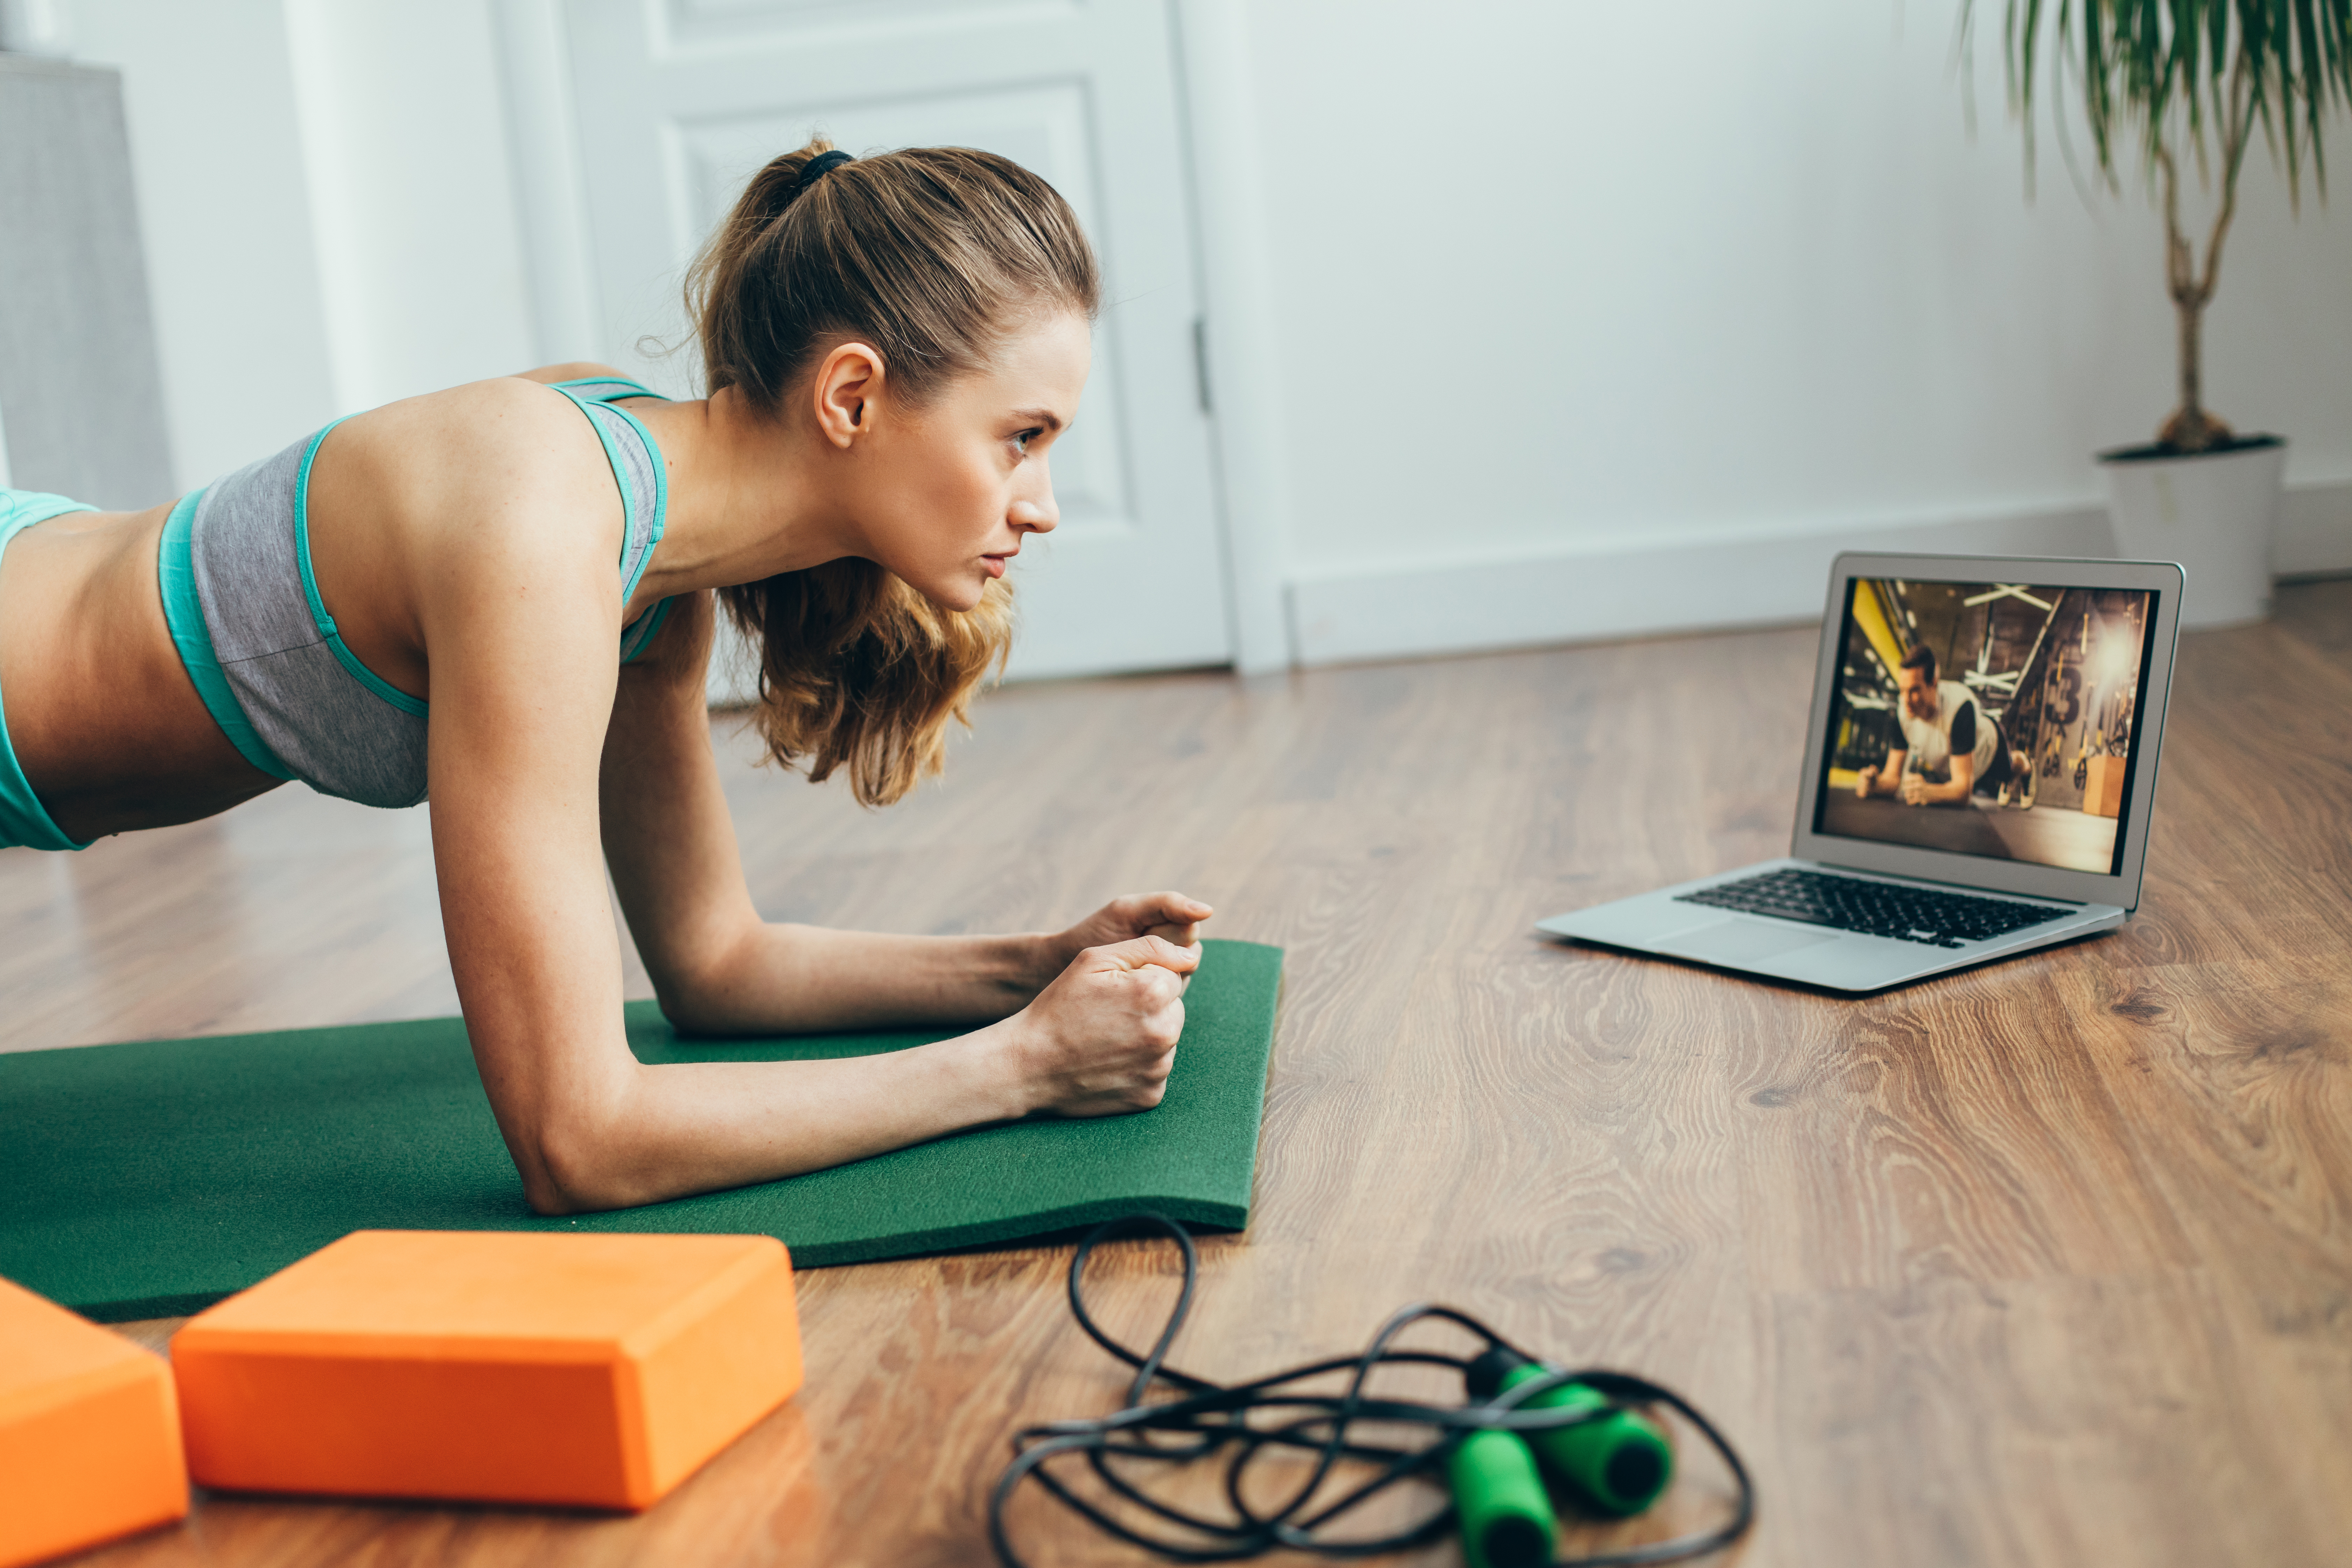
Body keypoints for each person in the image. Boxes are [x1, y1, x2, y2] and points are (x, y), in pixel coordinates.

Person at [0, 140, 1213, 1214]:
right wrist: (1022, 1067)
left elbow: (715, 964)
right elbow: (578, 1140)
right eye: (1023, 436)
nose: (1043, 505)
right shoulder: (541, 526)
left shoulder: (647, 579)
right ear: (852, 396)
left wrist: (1029, 970)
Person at [1854, 644, 2029, 808]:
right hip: (1959, 770)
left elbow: (1963, 792)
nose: (1906, 700)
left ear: (1934, 683)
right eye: (1903, 690)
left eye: (1914, 690)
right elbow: (1892, 779)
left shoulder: (1959, 708)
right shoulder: (1902, 714)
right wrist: (1875, 785)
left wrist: (1930, 792)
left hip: (1989, 752)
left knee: (2010, 772)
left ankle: (2025, 764)